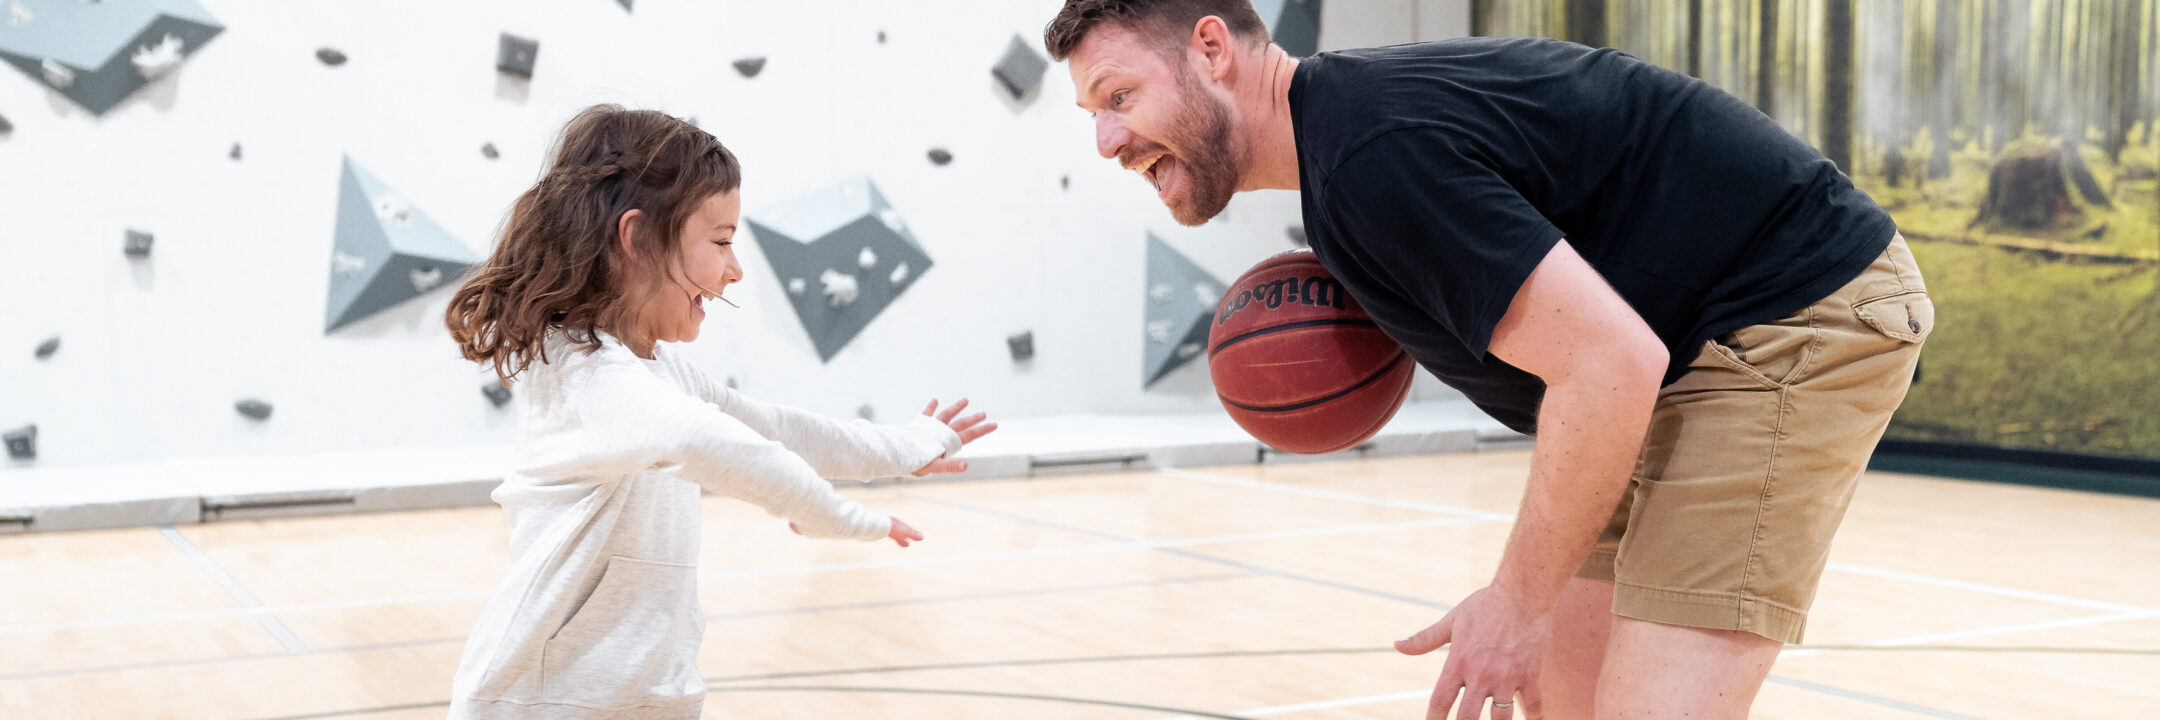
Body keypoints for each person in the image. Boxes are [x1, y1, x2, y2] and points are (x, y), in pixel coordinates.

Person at [1042, 2, 1932, 718]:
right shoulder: (1344, 147)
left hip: (1791, 310)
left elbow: (1609, 363)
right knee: (1569, 703)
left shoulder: (1369, 158)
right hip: (1679, 352)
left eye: (1118, 98)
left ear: (1211, 50)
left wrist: (1516, 601)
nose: (1106, 143)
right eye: (1092, 116)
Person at [439, 105, 996, 719]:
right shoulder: (585, 375)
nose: (733, 271)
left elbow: (776, 429)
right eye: (722, 242)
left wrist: (909, 446)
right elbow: (705, 441)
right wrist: (837, 516)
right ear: (636, 239)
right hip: (543, 704)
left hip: (643, 701)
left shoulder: (658, 369)